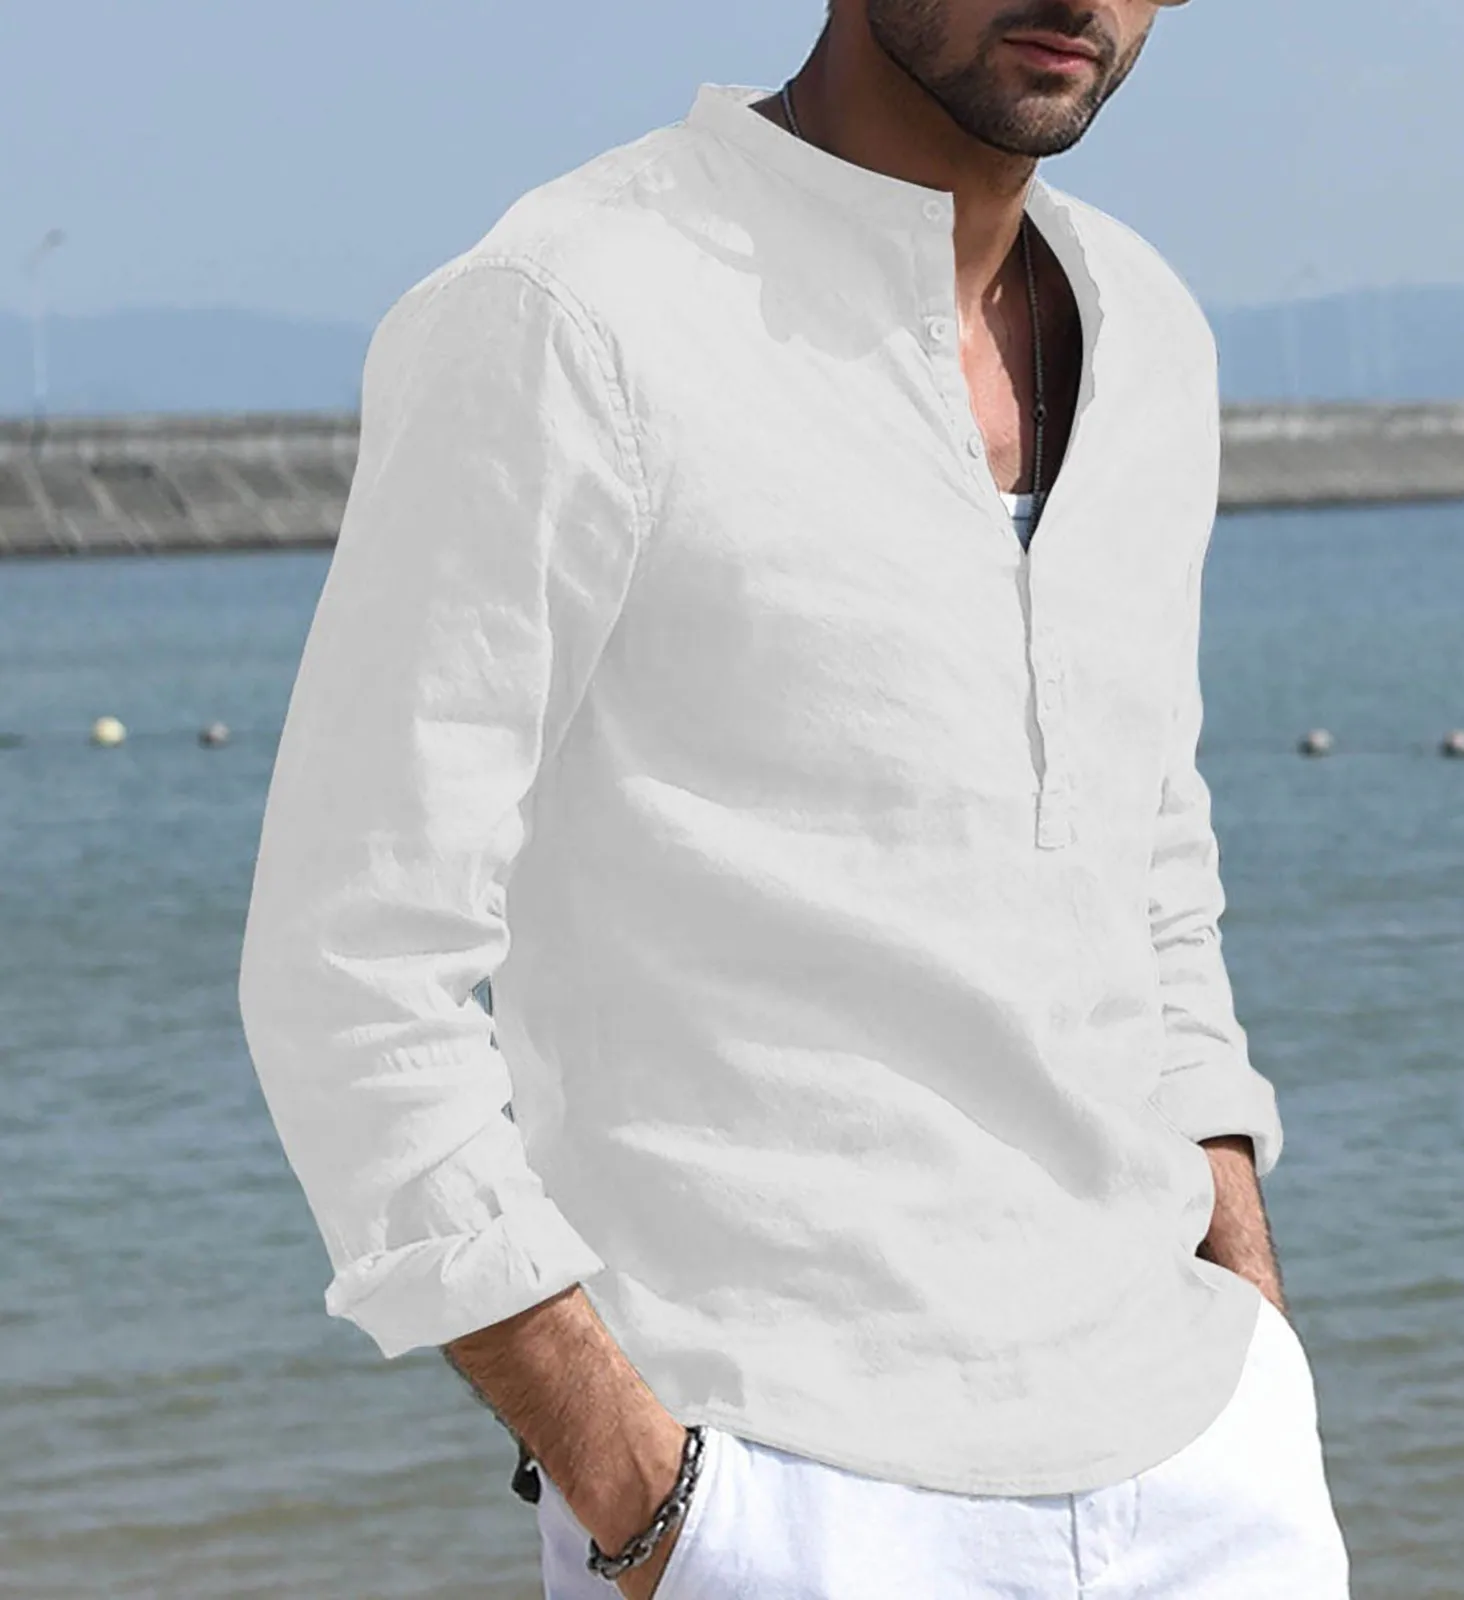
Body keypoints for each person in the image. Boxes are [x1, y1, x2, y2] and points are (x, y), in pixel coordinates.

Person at [237, 2, 1353, 1595]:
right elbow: (349, 965)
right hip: (785, 1495)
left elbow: (1152, 865)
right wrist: (648, 1505)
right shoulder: (567, 313)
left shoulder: (1152, 332)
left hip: (1207, 1471)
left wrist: (1251, 1321)